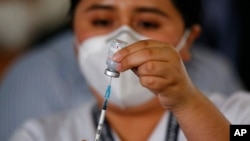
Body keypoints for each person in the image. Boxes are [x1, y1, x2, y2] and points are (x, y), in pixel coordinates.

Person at [3, 0, 250, 140]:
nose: (121, 39)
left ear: (189, 40)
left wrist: (187, 102)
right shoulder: (38, 135)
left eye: (147, 23)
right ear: (74, 40)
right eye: (101, 21)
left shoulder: (239, 116)